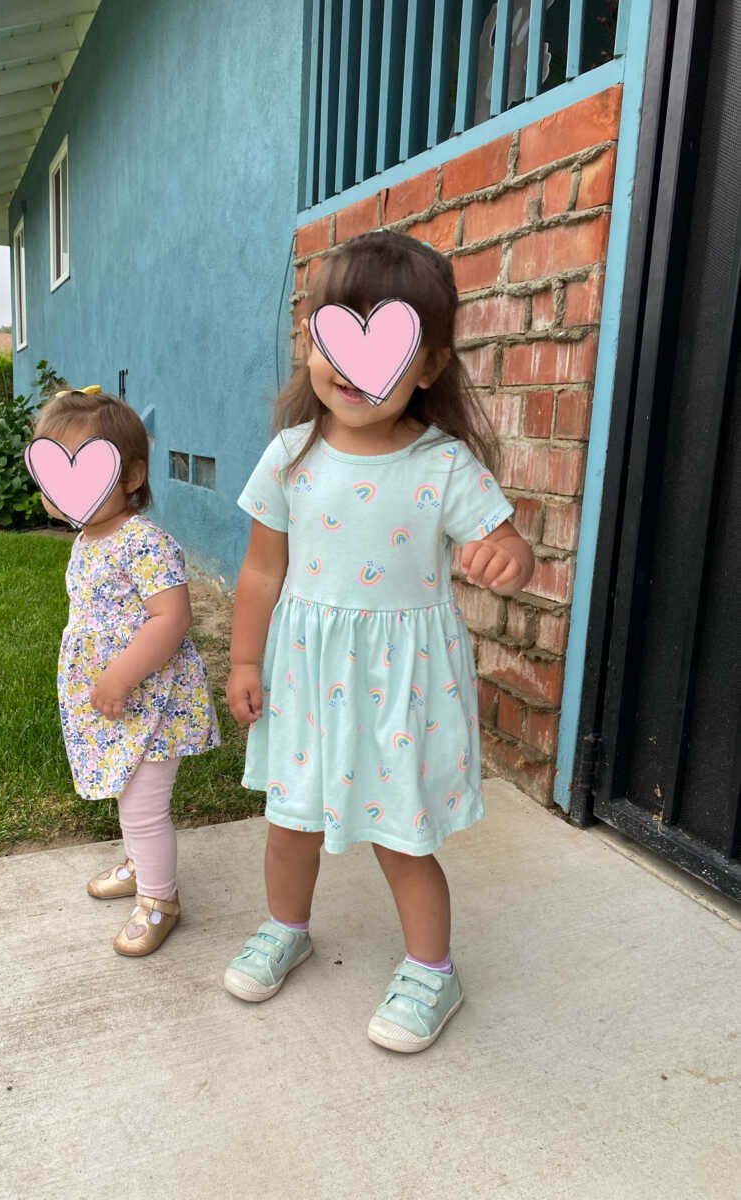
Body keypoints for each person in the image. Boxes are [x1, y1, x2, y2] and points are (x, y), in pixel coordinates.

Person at [224, 231, 535, 1052]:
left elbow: (510, 543)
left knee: (403, 834)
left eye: (387, 343)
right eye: (341, 334)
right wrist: (246, 660)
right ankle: (285, 925)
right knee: (289, 820)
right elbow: (261, 573)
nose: (357, 367)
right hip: (303, 673)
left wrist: (506, 554)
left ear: (429, 365)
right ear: (314, 345)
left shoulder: (443, 467)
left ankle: (433, 971)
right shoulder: (290, 457)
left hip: (402, 684)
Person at [33, 389, 219, 956]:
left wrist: (118, 677)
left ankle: (160, 898)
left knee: (143, 802)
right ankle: (140, 863)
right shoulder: (90, 540)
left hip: (152, 698)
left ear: (133, 474)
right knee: (126, 789)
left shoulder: (144, 543)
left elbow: (172, 617)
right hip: (122, 699)